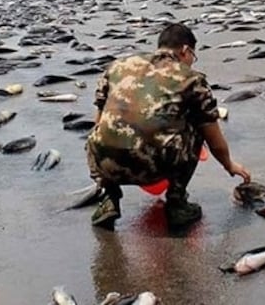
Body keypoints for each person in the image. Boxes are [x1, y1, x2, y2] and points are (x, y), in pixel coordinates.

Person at [86, 23, 252, 231]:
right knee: (198, 125)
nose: (192, 62)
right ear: (185, 50)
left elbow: (99, 121)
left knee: (103, 133)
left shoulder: (117, 67)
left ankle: (108, 198)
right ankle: (177, 203)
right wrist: (229, 165)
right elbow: (213, 138)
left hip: (106, 164)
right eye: (193, 56)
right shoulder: (192, 79)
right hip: (154, 166)